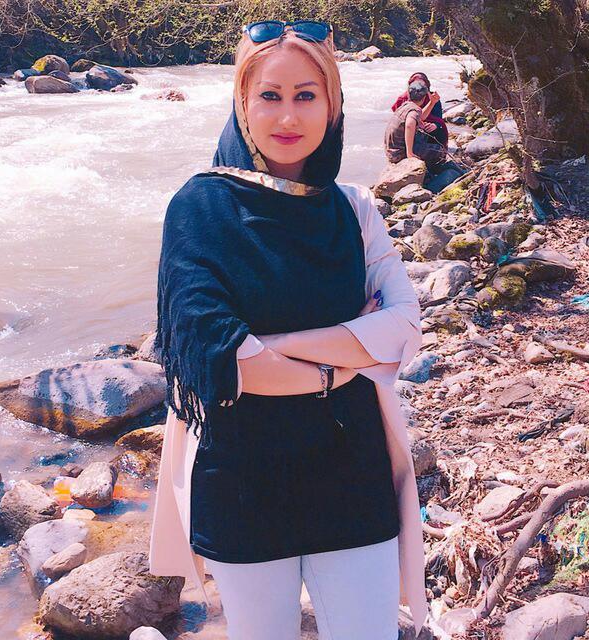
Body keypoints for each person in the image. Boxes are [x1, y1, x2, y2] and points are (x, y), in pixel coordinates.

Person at [149, 19, 429, 640]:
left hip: (352, 471)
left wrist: (276, 349)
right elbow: (218, 357)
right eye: (269, 95)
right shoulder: (199, 209)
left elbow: (404, 323)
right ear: (242, 102)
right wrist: (343, 362)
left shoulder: (354, 209)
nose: (287, 115)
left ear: (333, 104)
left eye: (306, 95)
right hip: (241, 479)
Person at [385, 79, 447, 167]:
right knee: (440, 151)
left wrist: (432, 102)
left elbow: (420, 117)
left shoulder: (406, 105)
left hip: (392, 151)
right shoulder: (414, 110)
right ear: (424, 97)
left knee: (425, 136)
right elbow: (409, 125)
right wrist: (410, 153)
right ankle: (432, 170)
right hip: (399, 154)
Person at [391, 71, 448, 148]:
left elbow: (438, 118)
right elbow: (400, 122)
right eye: (416, 85)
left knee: (440, 133)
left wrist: (435, 125)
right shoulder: (403, 99)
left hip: (427, 129)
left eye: (421, 85)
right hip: (408, 132)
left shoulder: (433, 98)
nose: (418, 89)